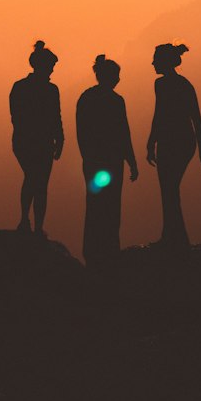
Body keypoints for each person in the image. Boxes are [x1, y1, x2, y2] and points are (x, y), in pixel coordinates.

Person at [76, 54, 138, 266]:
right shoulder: (116, 101)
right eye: (117, 75)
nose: (119, 79)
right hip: (112, 162)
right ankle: (110, 248)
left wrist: (87, 157)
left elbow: (81, 133)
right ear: (108, 76)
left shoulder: (86, 98)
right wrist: (132, 161)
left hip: (95, 162)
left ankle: (93, 250)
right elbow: (124, 133)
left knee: (95, 204)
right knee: (111, 205)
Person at [146, 42, 201, 248]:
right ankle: (173, 236)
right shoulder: (167, 85)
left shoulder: (180, 85)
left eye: (156, 59)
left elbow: (195, 117)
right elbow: (160, 114)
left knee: (169, 189)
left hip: (179, 142)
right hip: (171, 141)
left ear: (164, 62)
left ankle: (174, 238)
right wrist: (151, 142)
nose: (153, 63)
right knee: (169, 189)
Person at [9, 40, 64, 237]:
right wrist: (59, 138)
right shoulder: (48, 90)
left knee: (35, 180)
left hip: (29, 142)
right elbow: (53, 117)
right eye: (51, 66)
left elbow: (17, 118)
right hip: (36, 142)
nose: (52, 71)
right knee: (37, 181)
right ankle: (32, 225)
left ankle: (29, 223)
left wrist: (60, 138)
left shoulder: (21, 87)